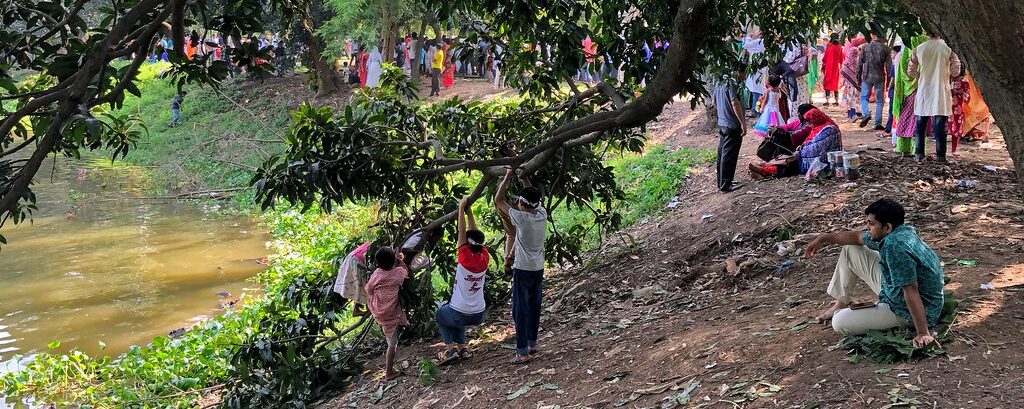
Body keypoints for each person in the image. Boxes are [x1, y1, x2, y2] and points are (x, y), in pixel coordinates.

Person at [804, 199, 944, 346]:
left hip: (907, 310)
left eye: (871, 224)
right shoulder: (900, 231)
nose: (867, 227)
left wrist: (923, 333)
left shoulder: (895, 245)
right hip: (895, 291)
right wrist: (823, 238)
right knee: (850, 248)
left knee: (838, 322)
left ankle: (850, 312)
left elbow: (910, 290)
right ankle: (841, 302)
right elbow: (857, 237)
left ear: (887, 227)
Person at [495, 168, 548, 364]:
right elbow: (532, 196)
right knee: (534, 306)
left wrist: (507, 176)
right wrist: (524, 177)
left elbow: (498, 200)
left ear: (521, 204)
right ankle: (532, 343)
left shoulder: (521, 218)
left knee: (520, 309)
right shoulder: (541, 214)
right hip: (538, 268)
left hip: (523, 269)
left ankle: (522, 351)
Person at [434, 197, 489, 365]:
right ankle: (462, 348)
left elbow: (462, 232)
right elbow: (474, 233)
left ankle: (450, 350)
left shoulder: (464, 256)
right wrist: (469, 210)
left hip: (462, 313)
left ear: (467, 244)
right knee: (454, 310)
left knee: (441, 314)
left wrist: (461, 209)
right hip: (479, 313)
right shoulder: (484, 256)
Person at [908, 32, 961, 163]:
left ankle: (919, 154)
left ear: (927, 33)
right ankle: (941, 156)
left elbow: (910, 70)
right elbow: (956, 71)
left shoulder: (919, 48)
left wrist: (921, 75)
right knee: (940, 126)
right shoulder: (947, 49)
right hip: (941, 90)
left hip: (924, 89)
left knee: (921, 124)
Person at [749, 107, 841, 179]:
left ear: (815, 120)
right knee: (790, 161)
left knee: (792, 165)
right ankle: (764, 169)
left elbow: (816, 148)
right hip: (820, 156)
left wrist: (800, 151)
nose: (808, 125)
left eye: (810, 122)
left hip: (826, 160)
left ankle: (764, 170)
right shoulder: (821, 127)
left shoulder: (828, 131)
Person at [365, 246, 410, 380]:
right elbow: (405, 271)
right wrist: (401, 261)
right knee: (392, 343)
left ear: (377, 263)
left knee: (390, 338)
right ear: (393, 261)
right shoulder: (398, 273)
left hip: (377, 310)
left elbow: (368, 289)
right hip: (390, 312)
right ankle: (389, 372)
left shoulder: (377, 273)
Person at [713, 62, 748, 193]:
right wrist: (742, 123)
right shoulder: (732, 84)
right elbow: (735, 103)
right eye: (745, 73)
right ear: (739, 72)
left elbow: (714, 102)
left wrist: (723, 113)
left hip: (722, 123)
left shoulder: (719, 82)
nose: (745, 76)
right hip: (732, 125)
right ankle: (726, 185)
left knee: (722, 153)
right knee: (729, 156)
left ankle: (722, 181)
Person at [891, 35, 928, 156]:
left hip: (904, 93)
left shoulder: (901, 56)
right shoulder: (923, 57)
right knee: (919, 122)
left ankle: (903, 147)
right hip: (921, 91)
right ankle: (917, 149)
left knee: (904, 119)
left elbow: (902, 75)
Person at [858, 32, 890, 130]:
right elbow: (888, 67)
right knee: (880, 101)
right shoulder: (885, 49)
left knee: (864, 98)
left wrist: (858, 77)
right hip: (880, 76)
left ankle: (866, 113)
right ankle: (877, 123)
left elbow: (860, 63)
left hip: (866, 76)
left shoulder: (865, 47)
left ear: (872, 35)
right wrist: (889, 80)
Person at [333, 242, 373, 316]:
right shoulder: (378, 248)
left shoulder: (371, 244)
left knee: (359, 285)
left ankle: (358, 309)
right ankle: (368, 307)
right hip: (356, 261)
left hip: (352, 258)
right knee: (364, 284)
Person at [840, 34, 866, 120]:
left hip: (848, 84)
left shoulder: (847, 62)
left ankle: (851, 115)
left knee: (849, 98)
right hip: (857, 83)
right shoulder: (858, 61)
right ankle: (853, 114)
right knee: (854, 98)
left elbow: (843, 72)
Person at [947, 65, 970, 156]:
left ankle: (953, 150)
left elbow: (967, 95)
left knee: (955, 128)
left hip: (957, 108)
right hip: (947, 105)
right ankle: (943, 150)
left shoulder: (964, 81)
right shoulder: (949, 78)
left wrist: (959, 93)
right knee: (944, 127)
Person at [821, 34, 844, 106]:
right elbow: (841, 58)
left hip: (828, 66)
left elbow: (825, 57)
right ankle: (836, 100)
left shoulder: (829, 46)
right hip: (835, 67)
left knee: (827, 82)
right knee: (835, 83)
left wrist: (823, 64)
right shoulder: (840, 47)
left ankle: (827, 100)